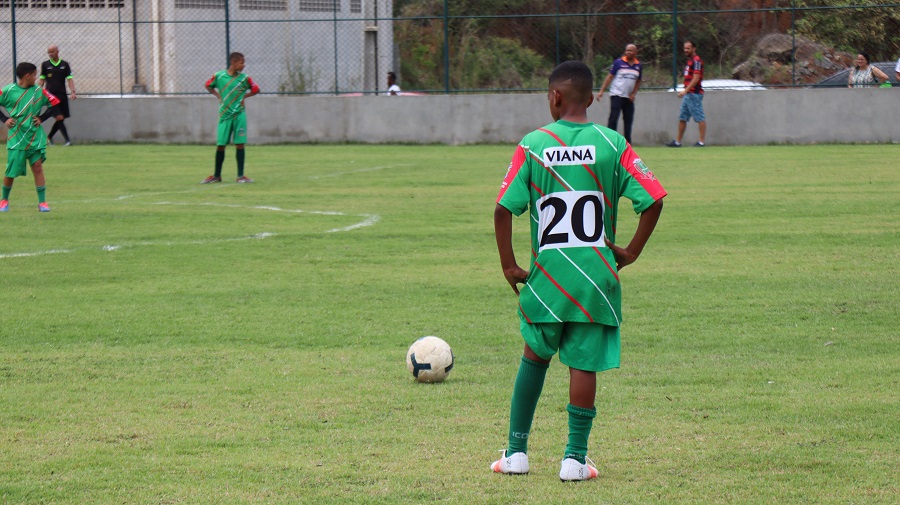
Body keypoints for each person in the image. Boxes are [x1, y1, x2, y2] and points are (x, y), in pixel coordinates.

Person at [491, 60, 666, 481]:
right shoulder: (613, 143)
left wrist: (509, 265)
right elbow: (654, 198)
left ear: (554, 97)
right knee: (583, 364)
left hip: (549, 276)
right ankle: (574, 459)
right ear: (591, 98)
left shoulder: (534, 144)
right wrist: (632, 252)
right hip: (594, 278)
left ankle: (516, 453)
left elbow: (502, 209)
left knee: (534, 356)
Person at [0, 62, 61, 213]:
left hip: (34, 136)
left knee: (38, 167)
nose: (36, 78)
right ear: (27, 76)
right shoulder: (8, 90)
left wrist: (42, 118)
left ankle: (42, 203)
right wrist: (4, 119)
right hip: (17, 136)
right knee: (11, 171)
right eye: (34, 75)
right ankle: (4, 200)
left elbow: (55, 103)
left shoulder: (39, 91)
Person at [201, 52, 260, 184]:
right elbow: (208, 85)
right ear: (233, 63)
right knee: (221, 145)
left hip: (239, 115)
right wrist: (218, 96)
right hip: (224, 115)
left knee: (240, 144)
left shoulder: (245, 78)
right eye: (241, 63)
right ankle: (216, 176)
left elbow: (256, 89)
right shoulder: (219, 76)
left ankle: (240, 176)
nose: (244, 65)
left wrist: (244, 97)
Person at [596, 44, 642, 145]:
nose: (628, 52)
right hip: (616, 94)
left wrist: (633, 94)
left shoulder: (638, 65)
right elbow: (609, 77)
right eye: (627, 50)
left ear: (635, 52)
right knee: (613, 118)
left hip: (628, 98)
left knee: (628, 120)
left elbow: (638, 81)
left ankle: (628, 144)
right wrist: (601, 91)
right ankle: (610, 141)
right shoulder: (619, 62)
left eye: (631, 51)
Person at [665, 41, 706, 147]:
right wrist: (686, 92)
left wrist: (685, 91)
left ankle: (701, 142)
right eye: (685, 48)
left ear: (694, 49)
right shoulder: (690, 61)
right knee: (683, 117)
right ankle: (678, 142)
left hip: (694, 94)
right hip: (688, 94)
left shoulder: (697, 61)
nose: (686, 50)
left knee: (699, 117)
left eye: (688, 48)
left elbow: (696, 78)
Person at [38, 45, 76, 146]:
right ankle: (68, 141)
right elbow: (41, 80)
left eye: (52, 52)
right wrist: (37, 91)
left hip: (62, 95)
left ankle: (48, 139)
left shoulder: (65, 64)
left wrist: (72, 91)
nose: (50, 54)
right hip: (50, 96)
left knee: (61, 118)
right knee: (59, 117)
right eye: (49, 52)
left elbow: (69, 79)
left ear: (57, 51)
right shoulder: (45, 65)